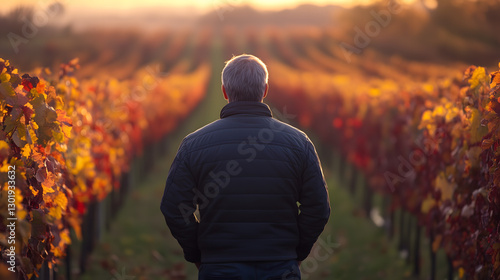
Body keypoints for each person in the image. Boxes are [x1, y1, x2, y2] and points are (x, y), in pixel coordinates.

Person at [160, 54, 330, 280]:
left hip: (219, 268)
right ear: (265, 89)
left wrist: (199, 254)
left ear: (224, 91)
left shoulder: (193, 145)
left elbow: (174, 208)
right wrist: (295, 252)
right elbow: (318, 208)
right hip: (280, 267)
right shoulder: (299, 143)